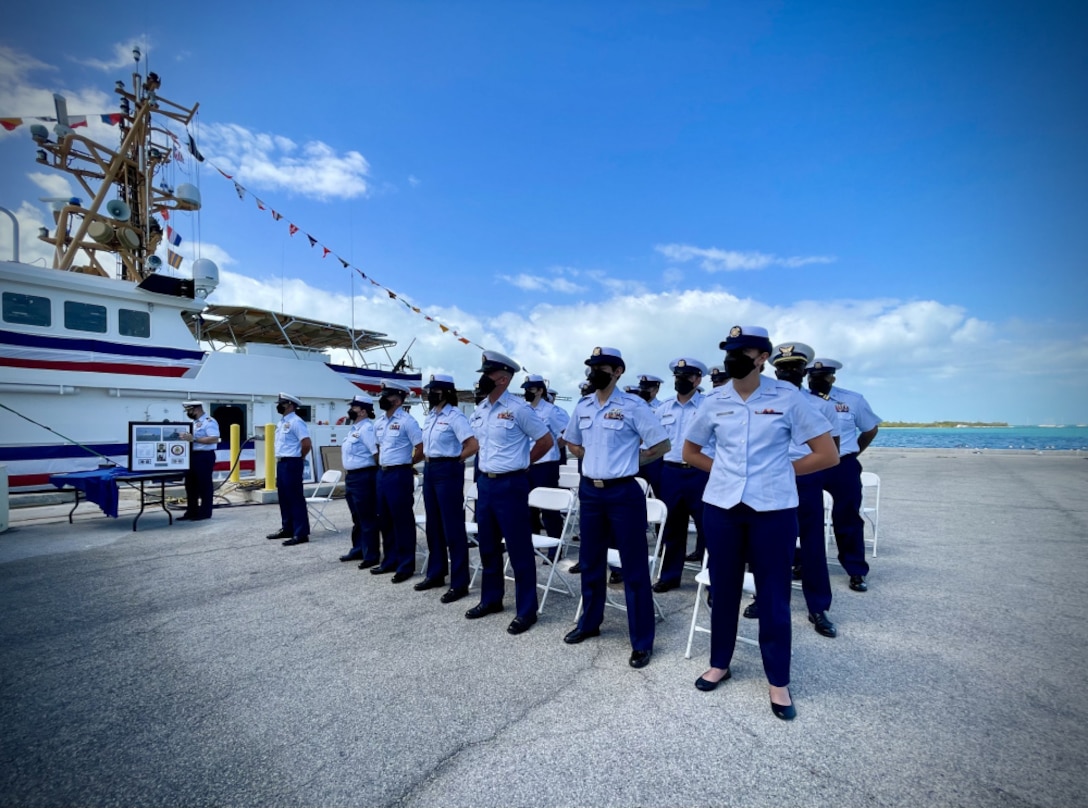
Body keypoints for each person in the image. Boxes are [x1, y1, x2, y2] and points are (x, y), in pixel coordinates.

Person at [682, 326, 838, 720]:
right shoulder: (714, 400)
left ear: (762, 358)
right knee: (724, 589)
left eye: (742, 350)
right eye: (729, 350)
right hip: (722, 509)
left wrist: (782, 474)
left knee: (773, 595)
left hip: (773, 510)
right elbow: (690, 450)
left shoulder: (787, 398)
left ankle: (778, 680)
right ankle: (720, 662)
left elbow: (827, 454)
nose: (733, 357)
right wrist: (725, 474)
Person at [561, 347, 670, 669]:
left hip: (623, 493)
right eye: (592, 367)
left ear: (618, 371)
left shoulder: (633, 406)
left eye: (602, 367)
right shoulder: (583, 406)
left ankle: (641, 641)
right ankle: (589, 623)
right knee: (590, 561)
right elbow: (572, 441)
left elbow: (661, 444)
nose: (595, 372)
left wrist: (628, 463)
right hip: (590, 492)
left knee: (633, 569)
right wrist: (593, 458)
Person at [467, 350, 554, 635]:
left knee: (518, 549)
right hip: (486, 484)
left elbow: (545, 440)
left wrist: (524, 462)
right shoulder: (480, 410)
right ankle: (491, 599)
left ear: (503, 379)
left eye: (488, 374)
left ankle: (526, 610)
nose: (482, 379)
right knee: (488, 546)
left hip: (511, 484)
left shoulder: (519, 409)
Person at [771, 343, 841, 637]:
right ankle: (763, 599)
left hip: (804, 479)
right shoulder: (761, 401)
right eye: (783, 367)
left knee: (812, 545)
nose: (789, 371)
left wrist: (798, 470)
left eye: (795, 366)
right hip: (770, 481)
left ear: (805, 370)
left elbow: (832, 449)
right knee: (769, 545)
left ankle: (818, 606)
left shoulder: (821, 405)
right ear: (775, 370)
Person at [807, 358, 882, 592]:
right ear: (807, 377)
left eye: (824, 376)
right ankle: (800, 561)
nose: (818, 380)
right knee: (802, 517)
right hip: (807, 463)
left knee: (847, 518)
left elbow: (870, 428)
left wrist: (853, 453)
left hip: (842, 464)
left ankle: (855, 569)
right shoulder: (798, 399)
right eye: (813, 376)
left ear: (833, 378)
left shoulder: (853, 400)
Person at [652, 358, 711, 593]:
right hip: (671, 472)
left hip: (701, 473)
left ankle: (711, 578)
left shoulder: (709, 405)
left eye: (687, 377)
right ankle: (670, 575)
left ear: (698, 380)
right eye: (678, 377)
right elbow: (654, 440)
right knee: (672, 527)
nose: (681, 381)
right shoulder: (663, 408)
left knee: (708, 527)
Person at [418, 374, 478, 603]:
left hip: (447, 470)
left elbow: (472, 445)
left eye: (434, 390)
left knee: (452, 528)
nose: (430, 394)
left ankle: (459, 582)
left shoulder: (455, 416)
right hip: (430, 469)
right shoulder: (430, 416)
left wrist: (455, 460)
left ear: (445, 392)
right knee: (433, 525)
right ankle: (436, 573)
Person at [371, 380, 424, 583]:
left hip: (399, 474)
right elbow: (379, 447)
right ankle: (389, 560)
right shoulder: (380, 422)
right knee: (384, 519)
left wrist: (407, 463)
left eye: (387, 395)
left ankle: (406, 565)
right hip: (383, 474)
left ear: (397, 399)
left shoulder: (407, 421)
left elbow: (420, 447)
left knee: (402, 520)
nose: (382, 398)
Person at [522, 373, 570, 541]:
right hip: (527, 463)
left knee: (549, 507)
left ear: (540, 390)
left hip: (546, 464)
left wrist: (555, 447)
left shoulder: (552, 411)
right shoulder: (525, 410)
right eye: (525, 389)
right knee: (529, 508)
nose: (527, 392)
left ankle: (555, 543)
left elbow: (568, 434)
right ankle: (533, 541)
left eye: (530, 389)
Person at [265, 393, 312, 546]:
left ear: (290, 405)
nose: (279, 406)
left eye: (282, 403)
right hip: (282, 462)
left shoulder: (296, 422)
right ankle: (288, 528)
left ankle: (301, 533)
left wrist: (300, 457)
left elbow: (306, 443)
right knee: (284, 497)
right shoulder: (282, 422)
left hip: (292, 462)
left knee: (295, 498)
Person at [339, 394, 380, 565]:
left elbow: (376, 453)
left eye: (354, 407)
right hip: (352, 477)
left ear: (363, 411)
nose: (351, 410)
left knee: (367, 517)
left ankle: (371, 555)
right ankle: (358, 549)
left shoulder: (367, 429)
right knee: (356, 517)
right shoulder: (353, 429)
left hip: (364, 476)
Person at [178, 400, 220, 521]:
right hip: (193, 456)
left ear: (196, 409)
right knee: (190, 485)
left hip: (204, 456)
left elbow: (214, 438)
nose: (188, 413)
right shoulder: (194, 422)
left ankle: (205, 512)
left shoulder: (209, 422)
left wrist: (194, 439)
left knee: (204, 485)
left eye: (189, 410)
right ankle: (192, 511)